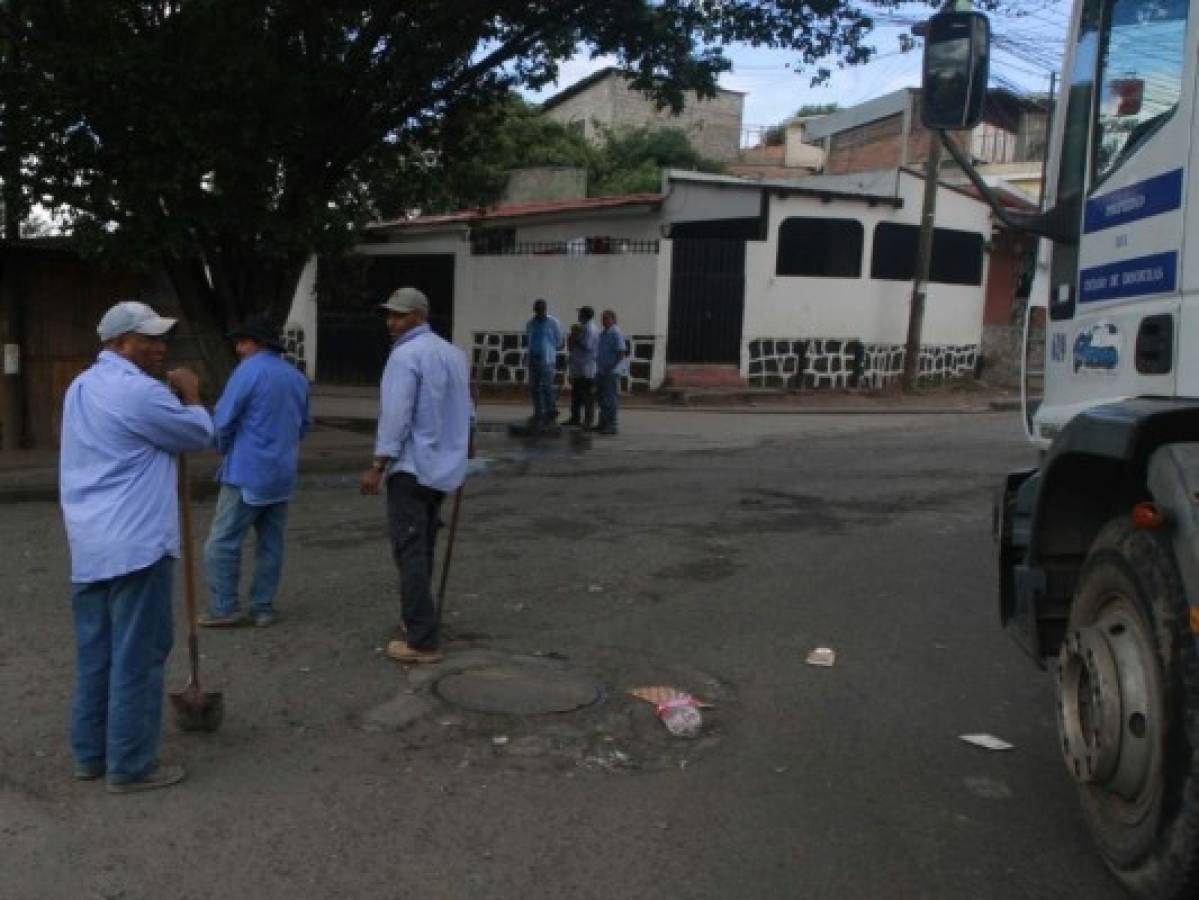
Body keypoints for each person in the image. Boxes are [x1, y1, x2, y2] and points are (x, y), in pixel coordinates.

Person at [60, 300, 214, 793]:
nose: (159, 347)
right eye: (148, 339)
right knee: (138, 656)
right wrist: (192, 395)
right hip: (136, 544)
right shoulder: (137, 391)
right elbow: (196, 434)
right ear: (120, 343)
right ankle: (130, 765)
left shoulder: (82, 386)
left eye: (161, 338)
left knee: (97, 653)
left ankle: (90, 755)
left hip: (91, 542)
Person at [359, 287, 471, 664]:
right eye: (389, 315)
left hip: (411, 467)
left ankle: (422, 639)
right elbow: (468, 409)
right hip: (443, 468)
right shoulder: (454, 354)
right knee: (422, 547)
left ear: (420, 316)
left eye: (399, 315)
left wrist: (378, 466)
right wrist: (465, 451)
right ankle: (418, 617)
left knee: (410, 551)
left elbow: (396, 416)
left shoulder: (405, 355)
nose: (391, 323)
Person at [200, 316, 310, 629]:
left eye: (242, 342)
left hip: (247, 470)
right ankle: (263, 607)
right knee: (271, 544)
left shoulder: (248, 371)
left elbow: (224, 420)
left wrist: (223, 447)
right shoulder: (296, 377)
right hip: (282, 472)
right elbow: (303, 425)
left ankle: (224, 606)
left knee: (222, 542)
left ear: (258, 343)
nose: (238, 348)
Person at [525, 298, 562, 427]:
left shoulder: (553, 322)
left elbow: (559, 340)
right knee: (534, 387)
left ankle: (550, 411)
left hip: (546, 359)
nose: (540, 311)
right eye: (537, 309)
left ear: (545, 309)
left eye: (542, 309)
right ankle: (538, 412)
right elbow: (529, 340)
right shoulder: (530, 323)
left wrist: (550, 350)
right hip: (533, 357)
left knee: (547, 386)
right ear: (534, 310)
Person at [565, 306, 599, 429]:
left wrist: (575, 338)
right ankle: (575, 418)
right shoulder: (583, 327)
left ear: (584, 315)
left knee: (587, 396)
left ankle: (588, 420)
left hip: (586, 367)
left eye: (580, 313)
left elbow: (587, 346)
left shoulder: (589, 329)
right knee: (576, 395)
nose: (578, 316)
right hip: (579, 366)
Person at [595, 309, 628, 436]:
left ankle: (612, 425)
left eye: (607, 318)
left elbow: (621, 352)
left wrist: (611, 367)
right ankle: (603, 423)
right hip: (601, 369)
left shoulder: (616, 333)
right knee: (602, 398)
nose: (604, 321)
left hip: (611, 370)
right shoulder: (603, 333)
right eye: (603, 318)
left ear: (613, 319)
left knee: (610, 398)